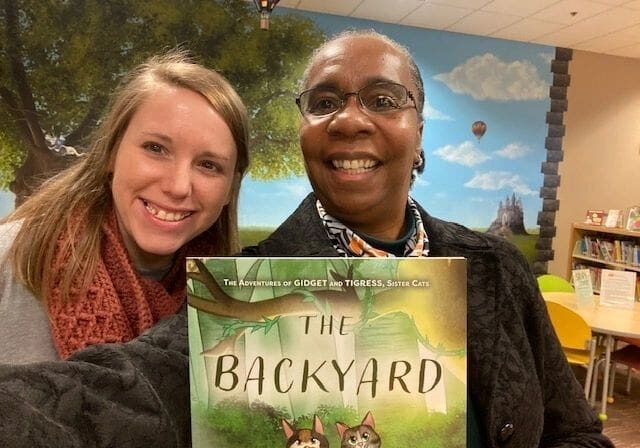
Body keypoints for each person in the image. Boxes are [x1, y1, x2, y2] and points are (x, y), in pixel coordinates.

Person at [241, 31, 614, 447]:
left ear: (418, 134)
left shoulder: (500, 268)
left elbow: (578, 433)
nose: (348, 120)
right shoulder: (249, 285)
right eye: (324, 103)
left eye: (383, 100)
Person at [0, 50, 249, 364]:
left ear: (231, 188)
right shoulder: (10, 260)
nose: (178, 186)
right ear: (111, 153)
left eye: (209, 165)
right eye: (155, 148)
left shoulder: (234, 306)